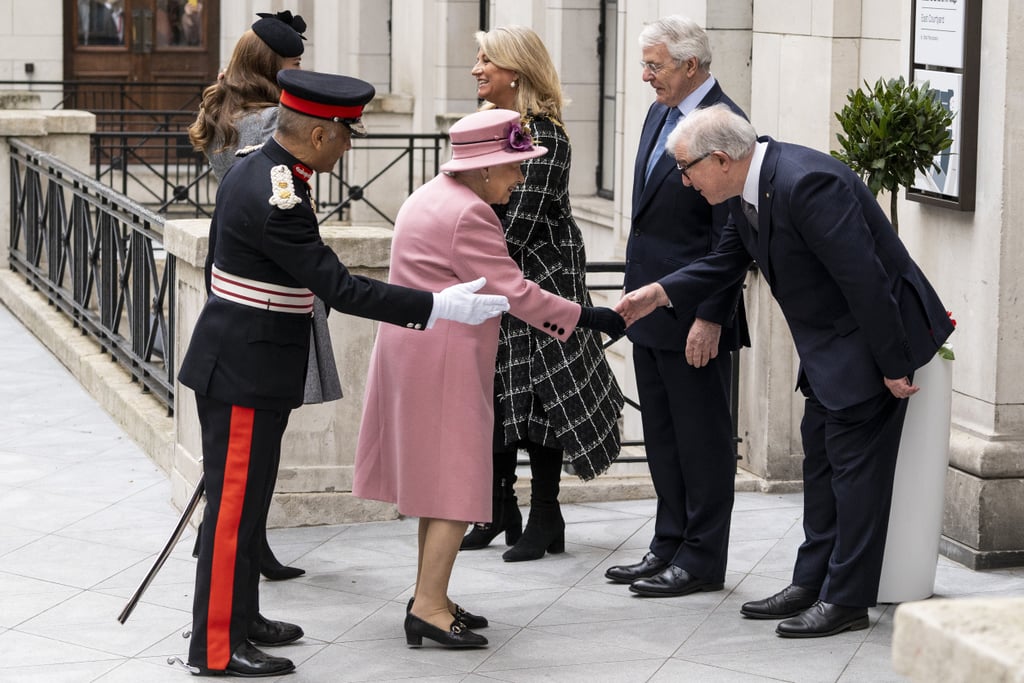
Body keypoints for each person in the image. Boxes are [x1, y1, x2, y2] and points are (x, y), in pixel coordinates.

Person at [179, 70, 510, 677]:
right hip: (246, 371)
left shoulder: (263, 169)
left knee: (250, 505)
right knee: (233, 511)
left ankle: (243, 616)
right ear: (318, 134)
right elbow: (338, 287)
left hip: (245, 361)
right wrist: (438, 305)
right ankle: (216, 647)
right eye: (346, 135)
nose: (350, 146)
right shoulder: (278, 195)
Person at [615, 103, 955, 638]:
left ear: (721, 160)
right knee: (820, 464)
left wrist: (893, 366)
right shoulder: (747, 189)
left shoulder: (808, 184)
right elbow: (724, 261)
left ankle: (846, 599)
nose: (682, 182)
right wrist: (658, 294)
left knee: (856, 477)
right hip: (828, 348)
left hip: (869, 345)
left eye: (685, 168)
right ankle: (810, 581)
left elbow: (865, 281)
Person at [353, 108, 626, 648]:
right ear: (483, 168)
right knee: (457, 484)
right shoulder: (470, 215)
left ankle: (429, 595)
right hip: (444, 364)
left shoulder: (430, 194)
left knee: (436, 485)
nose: (520, 179)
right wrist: (589, 317)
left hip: (417, 355)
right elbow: (513, 292)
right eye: (514, 167)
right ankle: (429, 606)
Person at [458, 26, 624, 562]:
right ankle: (498, 506)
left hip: (543, 285)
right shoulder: (495, 127)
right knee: (500, 393)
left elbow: (518, 227)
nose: (477, 69)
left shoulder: (544, 136)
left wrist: (466, 261)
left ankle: (546, 516)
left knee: (541, 402)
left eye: (488, 60)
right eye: (478, 59)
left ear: (516, 71)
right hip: (502, 283)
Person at [603, 16, 748, 598]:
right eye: (643, 64)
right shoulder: (662, 111)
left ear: (691, 65)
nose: (644, 76)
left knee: (702, 441)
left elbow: (731, 234)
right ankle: (668, 542)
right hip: (650, 310)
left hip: (693, 315)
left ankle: (702, 558)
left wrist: (711, 315)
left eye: (654, 65)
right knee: (663, 437)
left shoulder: (725, 126)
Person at [189, 11, 325, 583]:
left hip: (236, 275)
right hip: (270, 283)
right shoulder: (269, 120)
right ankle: (242, 546)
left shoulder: (223, 108)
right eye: (293, 65)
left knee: (242, 453)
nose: (299, 74)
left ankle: (236, 543)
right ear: (273, 65)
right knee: (257, 443)